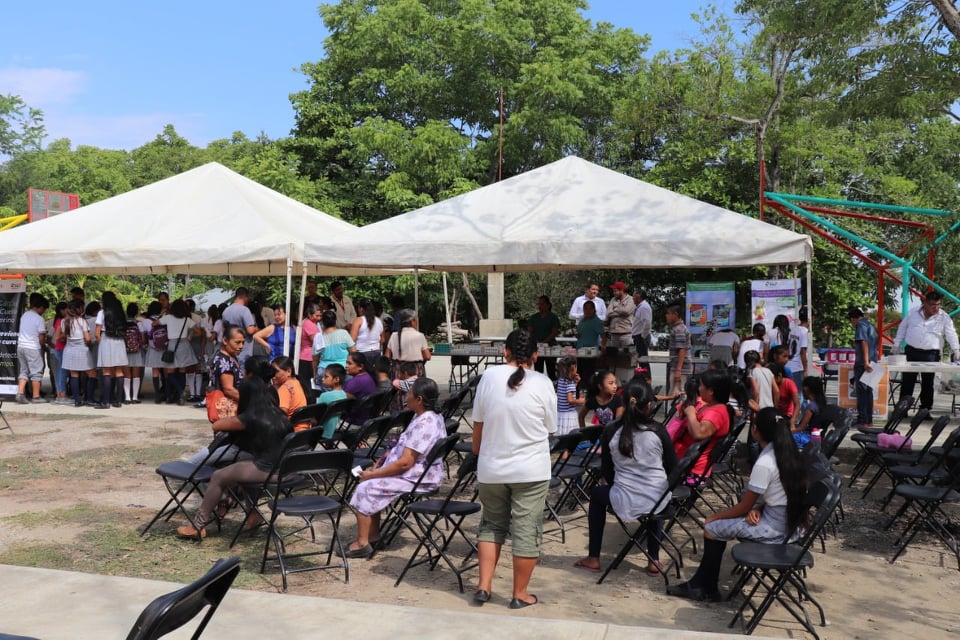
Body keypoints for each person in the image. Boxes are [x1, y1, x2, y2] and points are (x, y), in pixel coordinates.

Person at [667, 407, 808, 602]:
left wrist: (714, 517)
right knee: (719, 523)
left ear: (755, 430)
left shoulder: (765, 462)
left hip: (775, 530)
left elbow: (743, 507)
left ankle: (703, 587)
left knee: (712, 527)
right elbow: (780, 495)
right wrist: (758, 508)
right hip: (791, 525)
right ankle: (705, 586)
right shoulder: (789, 453)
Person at [472, 329, 557, 609]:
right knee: (526, 530)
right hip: (531, 470)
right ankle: (520, 594)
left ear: (504, 352)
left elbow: (478, 425)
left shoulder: (488, 376)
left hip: (491, 468)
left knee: (491, 525)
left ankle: (483, 586)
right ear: (536, 355)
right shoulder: (543, 382)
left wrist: (479, 454)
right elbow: (550, 427)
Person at [573, 379, 677, 576]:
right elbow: (673, 467)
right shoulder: (658, 429)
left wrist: (622, 486)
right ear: (649, 405)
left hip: (624, 498)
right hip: (657, 499)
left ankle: (593, 557)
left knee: (596, 494)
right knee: (658, 492)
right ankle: (653, 559)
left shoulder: (611, 430)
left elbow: (607, 471)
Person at [176, 364, 291, 539]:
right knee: (243, 470)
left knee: (218, 476)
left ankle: (197, 526)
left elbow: (217, 425)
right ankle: (253, 515)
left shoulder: (250, 417)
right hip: (286, 469)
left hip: (269, 470)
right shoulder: (279, 415)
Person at [343, 377, 448, 557]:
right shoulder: (427, 416)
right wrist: (379, 465)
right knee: (371, 482)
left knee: (365, 487)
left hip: (418, 477)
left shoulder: (425, 423)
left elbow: (406, 462)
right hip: (418, 472)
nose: (406, 396)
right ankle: (373, 537)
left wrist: (374, 474)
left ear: (419, 399)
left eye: (409, 393)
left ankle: (362, 543)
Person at [893, 291, 959, 417]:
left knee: (928, 383)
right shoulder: (913, 312)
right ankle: (902, 408)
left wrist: (956, 349)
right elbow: (902, 328)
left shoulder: (944, 317)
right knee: (908, 381)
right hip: (912, 351)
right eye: (933, 305)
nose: (936, 308)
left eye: (938, 305)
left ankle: (925, 410)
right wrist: (897, 344)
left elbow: (951, 334)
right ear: (925, 303)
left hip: (931, 354)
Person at [673, 368, 732, 478]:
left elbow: (698, 434)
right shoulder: (711, 406)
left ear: (711, 391)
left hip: (691, 470)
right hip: (683, 461)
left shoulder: (716, 413)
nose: (699, 388)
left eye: (701, 385)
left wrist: (691, 414)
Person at [157, 299, 202, 405]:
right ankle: (180, 398)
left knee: (170, 372)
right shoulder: (187, 320)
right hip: (184, 345)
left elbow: (155, 323)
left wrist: (162, 314)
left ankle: (181, 392)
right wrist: (190, 336)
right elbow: (199, 332)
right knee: (182, 371)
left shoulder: (168, 318)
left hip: (172, 345)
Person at [94, 291, 128, 409]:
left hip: (106, 340)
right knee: (119, 371)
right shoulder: (120, 312)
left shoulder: (102, 313)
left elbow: (97, 333)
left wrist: (100, 342)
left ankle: (106, 401)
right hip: (119, 341)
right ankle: (118, 401)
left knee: (106, 371)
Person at [847, 307, 879, 427]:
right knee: (868, 392)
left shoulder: (860, 325)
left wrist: (865, 362)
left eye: (851, 322)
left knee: (862, 393)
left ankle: (863, 420)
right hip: (873, 361)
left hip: (863, 364)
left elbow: (863, 342)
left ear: (853, 319)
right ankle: (869, 420)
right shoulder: (871, 325)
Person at [15, 292, 49, 404]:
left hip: (21, 346)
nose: (43, 312)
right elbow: (41, 337)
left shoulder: (25, 315)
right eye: (44, 309)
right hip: (33, 347)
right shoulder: (39, 319)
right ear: (41, 307)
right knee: (36, 372)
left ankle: (20, 393)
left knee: (24, 370)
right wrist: (44, 345)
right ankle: (36, 397)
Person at [61, 300, 96, 407]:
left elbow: (64, 337)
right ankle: (89, 399)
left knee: (74, 375)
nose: (83, 309)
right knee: (92, 374)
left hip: (69, 350)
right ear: (78, 309)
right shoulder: (82, 321)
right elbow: (87, 338)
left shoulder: (64, 321)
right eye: (82, 307)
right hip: (82, 350)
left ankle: (77, 400)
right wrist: (91, 344)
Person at [313, 309, 356, 388]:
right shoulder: (343, 333)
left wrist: (315, 374)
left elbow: (315, 359)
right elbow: (353, 351)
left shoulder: (318, 337)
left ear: (323, 322)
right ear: (335, 321)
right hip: (343, 370)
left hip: (324, 372)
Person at [385, 308, 431, 379]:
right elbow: (427, 356)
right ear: (413, 321)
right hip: (416, 371)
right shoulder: (419, 336)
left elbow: (387, 356)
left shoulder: (394, 335)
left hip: (398, 372)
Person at [221, 287, 258, 367]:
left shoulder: (226, 311)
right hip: (243, 352)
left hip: (230, 352)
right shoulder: (244, 310)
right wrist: (256, 328)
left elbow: (224, 331)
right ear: (245, 297)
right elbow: (250, 330)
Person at [528, 295, 560, 380]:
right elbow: (530, 331)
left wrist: (544, 342)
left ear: (548, 305)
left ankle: (552, 385)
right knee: (538, 371)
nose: (540, 306)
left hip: (550, 347)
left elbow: (554, 332)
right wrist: (537, 342)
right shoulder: (534, 317)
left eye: (542, 304)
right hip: (537, 347)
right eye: (538, 304)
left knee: (551, 370)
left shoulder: (553, 317)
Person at [271, 356, 308, 431]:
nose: (272, 375)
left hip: (292, 432)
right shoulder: (297, 382)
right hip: (305, 431)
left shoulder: (285, 388)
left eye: (276, 371)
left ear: (288, 371)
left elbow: (281, 416)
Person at [576, 300, 604, 391]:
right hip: (580, 351)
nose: (587, 311)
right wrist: (577, 335)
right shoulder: (582, 321)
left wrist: (603, 348)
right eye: (585, 309)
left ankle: (589, 392)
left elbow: (603, 336)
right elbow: (580, 334)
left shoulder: (597, 321)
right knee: (579, 373)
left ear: (594, 310)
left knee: (589, 374)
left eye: (590, 309)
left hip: (590, 351)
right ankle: (579, 392)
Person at [343, 351, 378, 425]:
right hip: (367, 420)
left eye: (349, 364)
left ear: (360, 367)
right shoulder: (368, 377)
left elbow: (342, 407)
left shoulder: (354, 383)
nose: (346, 366)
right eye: (346, 363)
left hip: (354, 423)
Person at [316, 364, 349, 439]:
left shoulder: (324, 396)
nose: (322, 379)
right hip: (335, 431)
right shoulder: (344, 394)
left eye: (326, 377)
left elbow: (316, 417)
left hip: (322, 432)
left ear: (336, 379)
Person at [122, 302, 146, 404]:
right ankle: (135, 397)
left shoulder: (122, 324)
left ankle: (127, 398)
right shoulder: (139, 324)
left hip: (125, 351)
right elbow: (143, 340)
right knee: (136, 376)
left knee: (127, 376)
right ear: (136, 312)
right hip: (137, 351)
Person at [666, 303, 691, 396]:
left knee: (677, 395)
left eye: (668, 313)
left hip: (681, 369)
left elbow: (682, 349)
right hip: (679, 367)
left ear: (675, 314)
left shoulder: (679, 329)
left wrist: (678, 370)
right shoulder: (678, 328)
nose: (666, 316)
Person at [297, 303, 323, 394]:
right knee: (309, 384)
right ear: (309, 315)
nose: (319, 318)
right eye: (317, 316)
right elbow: (316, 343)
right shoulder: (309, 325)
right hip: (308, 358)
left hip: (307, 356)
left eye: (320, 316)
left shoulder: (309, 323)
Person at [555, 356, 584, 435]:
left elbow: (567, 391)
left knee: (562, 435)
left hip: (561, 414)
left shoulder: (561, 380)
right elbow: (570, 400)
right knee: (570, 436)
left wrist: (576, 383)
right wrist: (580, 401)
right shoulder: (570, 383)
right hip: (569, 416)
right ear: (573, 368)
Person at [350, 299, 385, 365]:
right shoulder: (378, 321)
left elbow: (352, 339)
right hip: (376, 352)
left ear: (361, 309)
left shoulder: (358, 320)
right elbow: (382, 340)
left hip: (362, 353)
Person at [786, 306, 810, 403]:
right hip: (797, 367)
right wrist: (805, 369)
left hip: (789, 364)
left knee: (791, 394)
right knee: (799, 395)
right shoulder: (804, 332)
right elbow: (803, 352)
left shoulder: (793, 329)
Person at [745, 350, 778, 414]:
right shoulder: (768, 371)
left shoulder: (751, 372)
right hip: (770, 407)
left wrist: (754, 410)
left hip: (759, 409)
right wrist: (775, 408)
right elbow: (776, 391)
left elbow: (756, 392)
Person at [631, 289, 653, 359]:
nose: (632, 298)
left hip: (641, 337)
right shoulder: (639, 307)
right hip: (638, 336)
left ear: (638, 297)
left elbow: (647, 323)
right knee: (639, 358)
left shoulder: (644, 307)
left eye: (634, 296)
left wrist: (643, 336)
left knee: (643, 359)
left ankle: (646, 368)